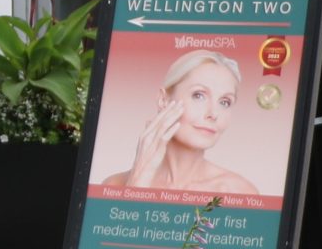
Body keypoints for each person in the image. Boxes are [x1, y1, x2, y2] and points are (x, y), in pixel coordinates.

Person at [102, 49, 262, 195]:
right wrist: (137, 183)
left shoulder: (239, 192)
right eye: (198, 95)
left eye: (225, 102)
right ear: (163, 100)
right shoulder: (114, 185)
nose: (213, 114)